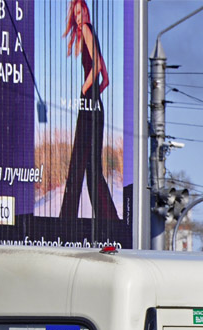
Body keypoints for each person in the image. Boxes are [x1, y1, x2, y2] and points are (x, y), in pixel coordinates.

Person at [59, 0, 119, 221]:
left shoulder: (86, 29)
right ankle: (109, 220)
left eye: (79, 11)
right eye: (74, 14)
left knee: (78, 165)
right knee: (93, 169)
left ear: (86, 10)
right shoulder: (91, 31)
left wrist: (85, 89)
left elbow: (95, 68)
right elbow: (106, 79)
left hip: (88, 105)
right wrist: (94, 92)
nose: (77, 17)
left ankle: (65, 221)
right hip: (97, 107)